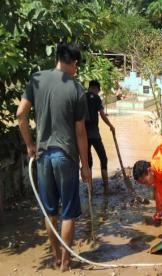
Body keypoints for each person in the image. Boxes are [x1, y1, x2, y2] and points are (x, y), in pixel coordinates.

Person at [16, 42, 90, 272]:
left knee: (50, 211)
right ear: (73, 62)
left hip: (42, 156)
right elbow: (80, 132)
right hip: (65, 156)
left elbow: (20, 114)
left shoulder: (36, 78)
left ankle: (57, 257)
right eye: (77, 64)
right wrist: (85, 166)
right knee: (69, 212)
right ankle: (66, 264)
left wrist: (30, 144)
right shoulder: (76, 89)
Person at [85, 80, 115, 195]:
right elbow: (102, 114)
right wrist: (111, 126)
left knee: (88, 162)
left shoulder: (82, 97)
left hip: (84, 136)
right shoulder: (96, 98)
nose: (98, 92)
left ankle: (90, 189)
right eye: (98, 90)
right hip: (95, 134)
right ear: (95, 88)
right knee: (103, 159)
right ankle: (106, 188)